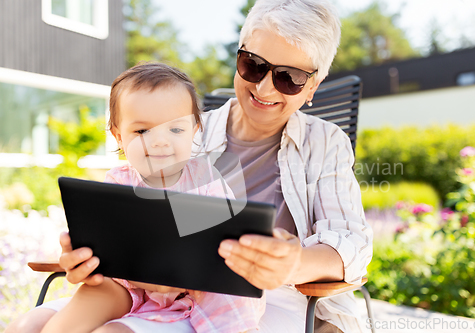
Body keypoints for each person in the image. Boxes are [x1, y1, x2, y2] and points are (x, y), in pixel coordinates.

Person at [7, 0, 373, 332]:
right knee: (31, 325)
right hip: (144, 288)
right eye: (254, 65)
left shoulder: (324, 143)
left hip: (257, 298)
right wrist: (93, 254)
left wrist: (292, 264)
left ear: (312, 86)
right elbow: (132, 207)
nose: (263, 89)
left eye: (289, 78)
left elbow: (352, 242)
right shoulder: (183, 129)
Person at [19, 63, 266, 333]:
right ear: (118, 136)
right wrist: (83, 255)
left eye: (175, 130)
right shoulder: (118, 183)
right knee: (29, 326)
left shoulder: (206, 182)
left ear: (195, 130)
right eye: (142, 131)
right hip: (125, 286)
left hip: (191, 297)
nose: (159, 141)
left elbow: (225, 258)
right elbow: (103, 249)